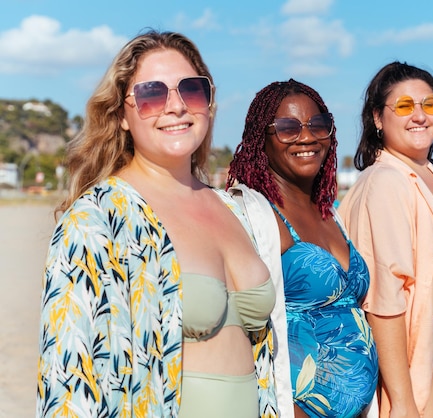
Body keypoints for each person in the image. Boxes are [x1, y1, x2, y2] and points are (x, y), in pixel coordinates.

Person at [36, 30, 277, 417]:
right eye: (152, 94)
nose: (176, 106)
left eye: (192, 90)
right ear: (122, 116)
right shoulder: (99, 218)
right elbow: (70, 381)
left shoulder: (232, 208)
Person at [338, 61, 433, 418]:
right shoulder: (384, 181)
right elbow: (383, 297)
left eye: (430, 104)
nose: (420, 115)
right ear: (378, 118)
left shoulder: (428, 175)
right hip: (422, 367)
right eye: (405, 106)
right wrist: (402, 399)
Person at [226, 79, 379, 418]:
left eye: (318, 125)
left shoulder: (328, 211)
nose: (307, 136)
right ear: (259, 140)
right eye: (287, 127)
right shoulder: (252, 215)